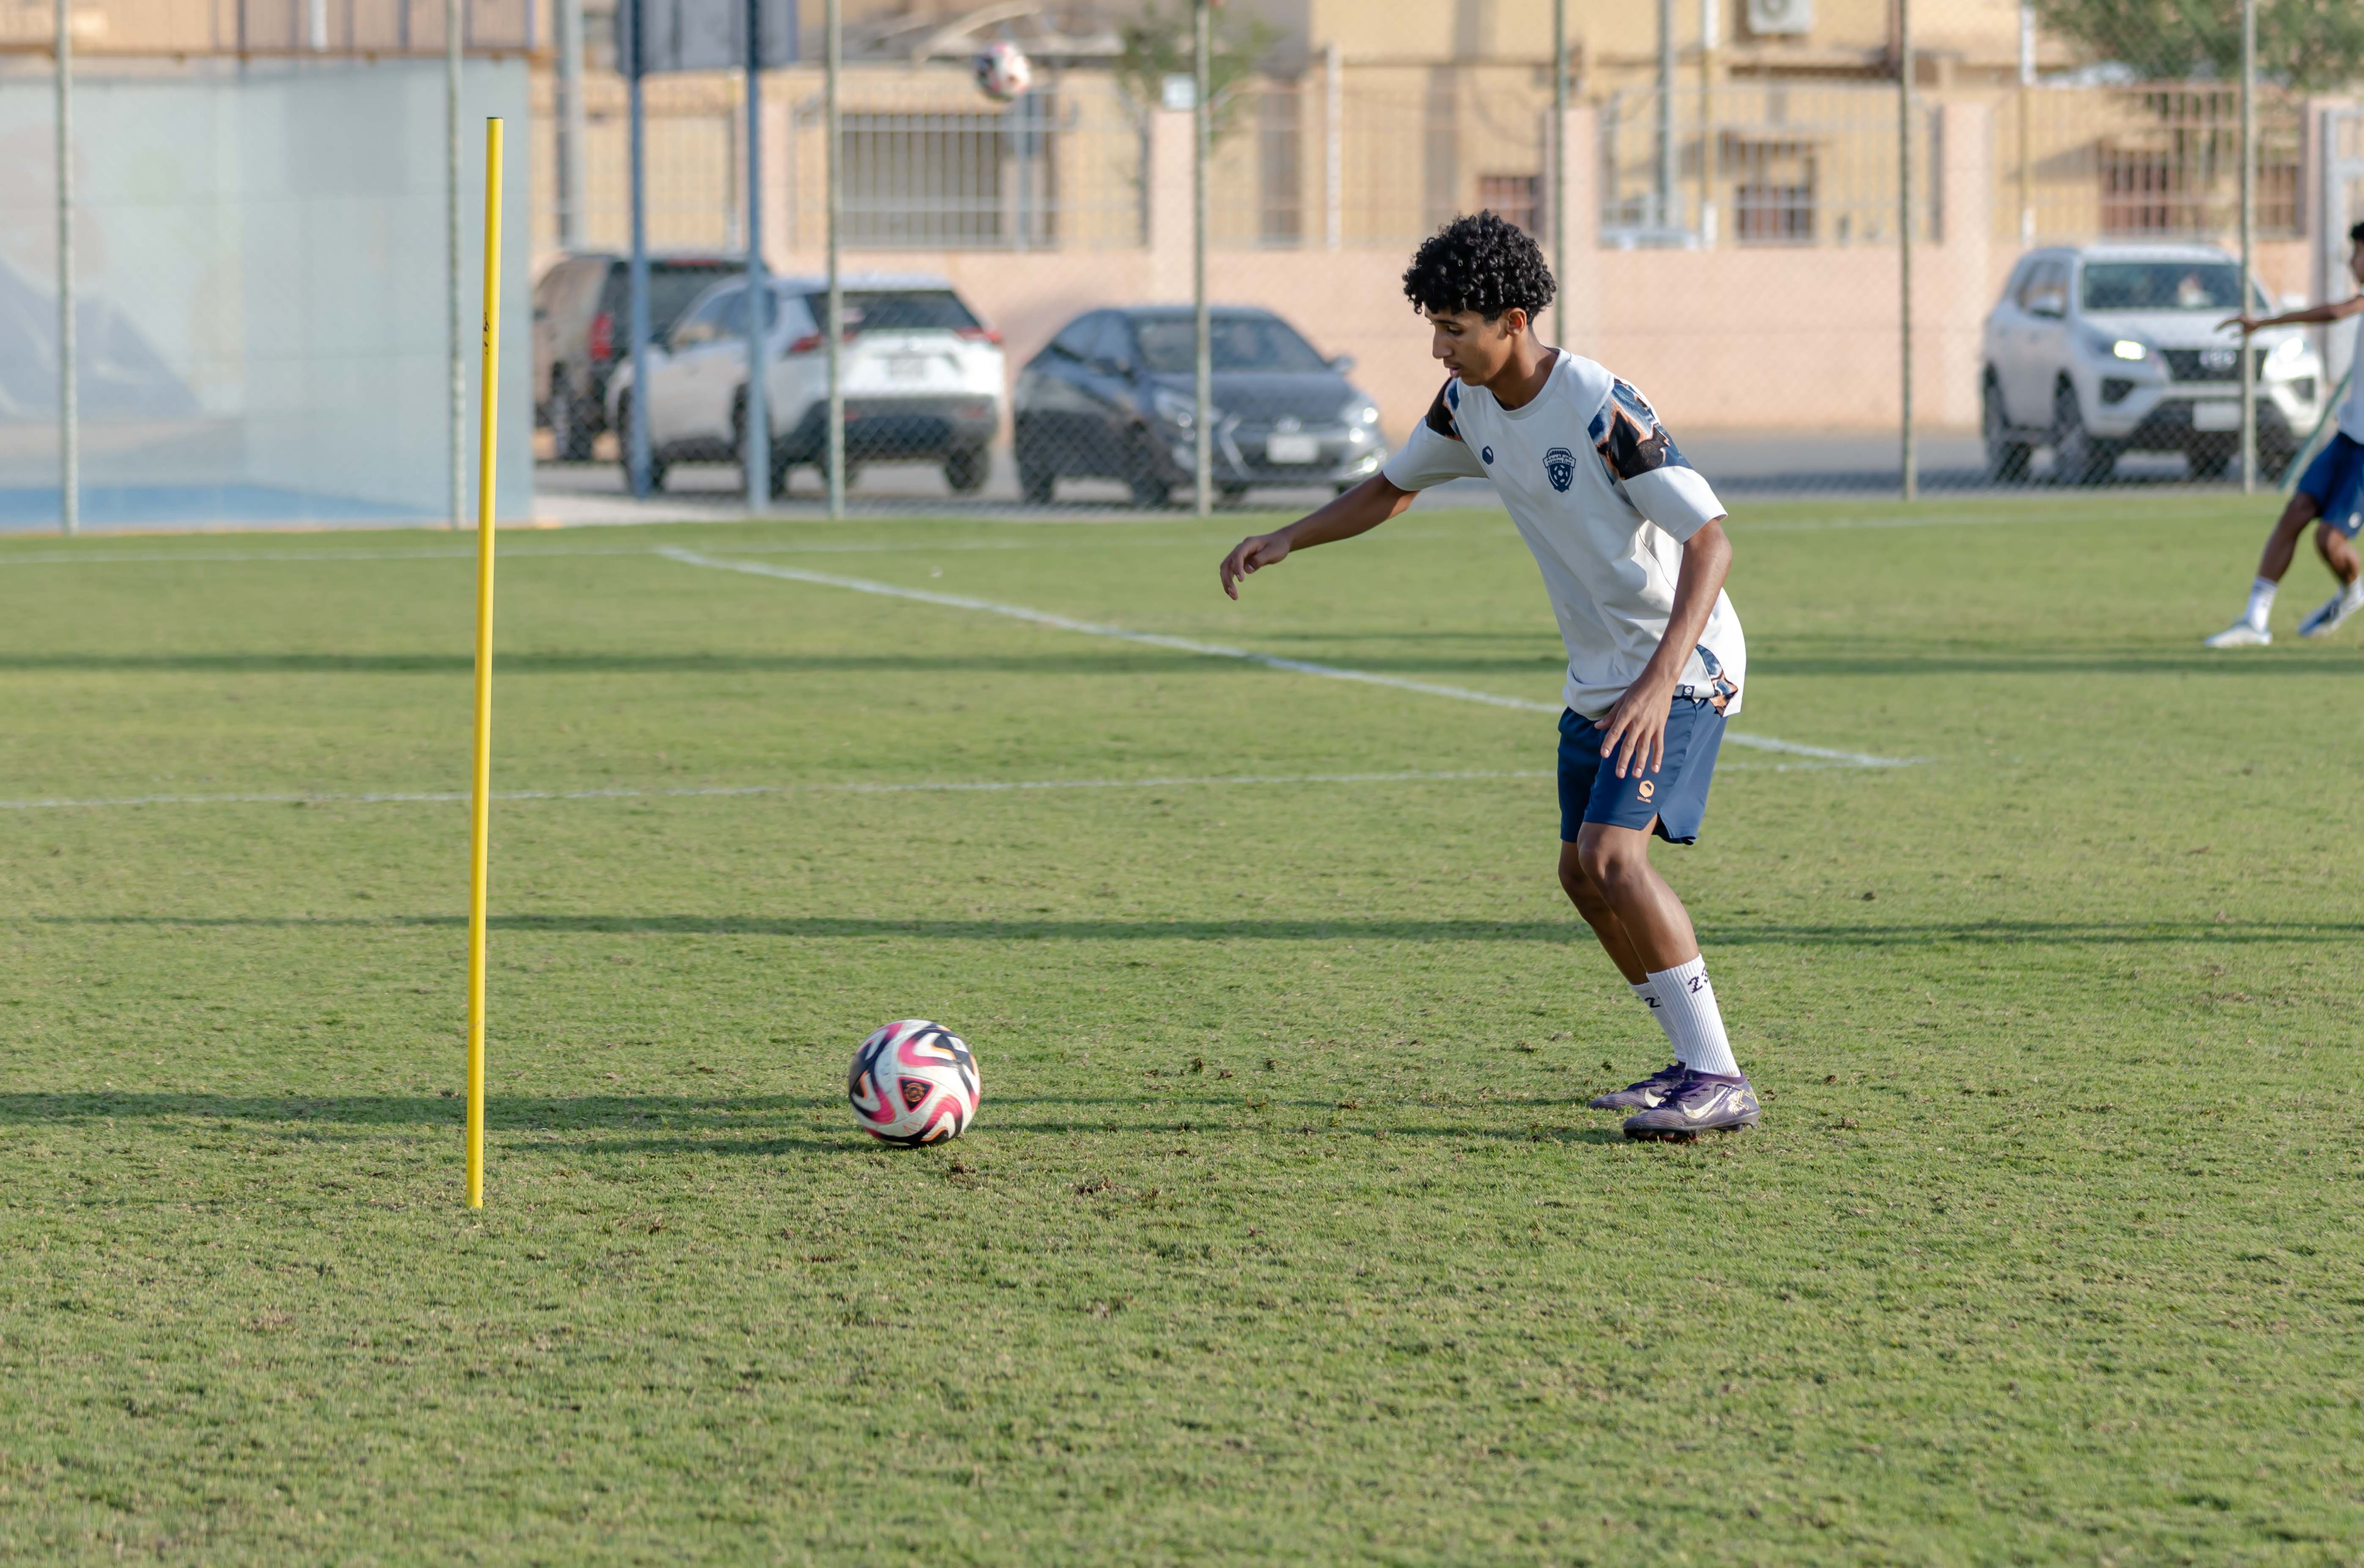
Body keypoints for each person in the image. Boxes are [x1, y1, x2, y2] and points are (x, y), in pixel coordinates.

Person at [1215, 212, 1756, 1140]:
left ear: (1512, 319)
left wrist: (1659, 681)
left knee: (1612, 858)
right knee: (1578, 876)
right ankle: (1683, 1061)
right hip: (1599, 673)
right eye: (1431, 326)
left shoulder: (1599, 404)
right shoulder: (1465, 405)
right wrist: (1288, 537)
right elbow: (1391, 487)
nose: (1439, 347)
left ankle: (1720, 1077)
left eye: (1454, 327)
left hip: (1681, 661)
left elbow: (1710, 540)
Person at [2202, 220, 2364, 648]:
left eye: (2358, 253)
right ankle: (2255, 620)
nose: (2352, 262)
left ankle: (2354, 590)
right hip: (2349, 437)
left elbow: (2334, 313)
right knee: (2297, 511)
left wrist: (2265, 323)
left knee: (2328, 541)